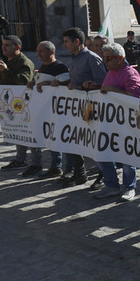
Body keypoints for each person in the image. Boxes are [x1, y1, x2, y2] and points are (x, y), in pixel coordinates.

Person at [92, 43, 140, 202]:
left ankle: (129, 187)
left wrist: (114, 91)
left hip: (126, 123)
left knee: (127, 156)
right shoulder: (111, 72)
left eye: (108, 59)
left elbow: (135, 97)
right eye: (104, 59)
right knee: (101, 153)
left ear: (120, 59)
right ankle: (112, 186)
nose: (105, 62)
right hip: (109, 122)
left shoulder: (130, 74)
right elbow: (106, 89)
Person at [60, 28, 106, 187]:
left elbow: (103, 83)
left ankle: (104, 176)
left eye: (67, 41)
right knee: (74, 140)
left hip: (93, 111)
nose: (64, 45)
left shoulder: (92, 58)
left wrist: (90, 85)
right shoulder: (75, 58)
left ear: (77, 42)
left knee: (94, 143)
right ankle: (80, 174)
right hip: (77, 109)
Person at [24, 40, 70, 179]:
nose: (38, 54)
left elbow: (65, 84)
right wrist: (34, 83)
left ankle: (56, 166)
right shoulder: (43, 66)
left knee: (54, 138)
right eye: (37, 51)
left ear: (51, 52)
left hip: (54, 111)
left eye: (41, 51)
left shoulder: (59, 67)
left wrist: (49, 84)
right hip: (42, 110)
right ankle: (42, 165)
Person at [0, 36, 36, 171]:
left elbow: (22, 82)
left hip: (25, 106)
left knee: (29, 135)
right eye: (3, 45)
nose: (4, 47)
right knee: (19, 134)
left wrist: (5, 71)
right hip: (11, 106)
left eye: (7, 45)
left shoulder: (24, 62)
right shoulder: (7, 61)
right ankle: (20, 159)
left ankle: (36, 163)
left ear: (17, 48)